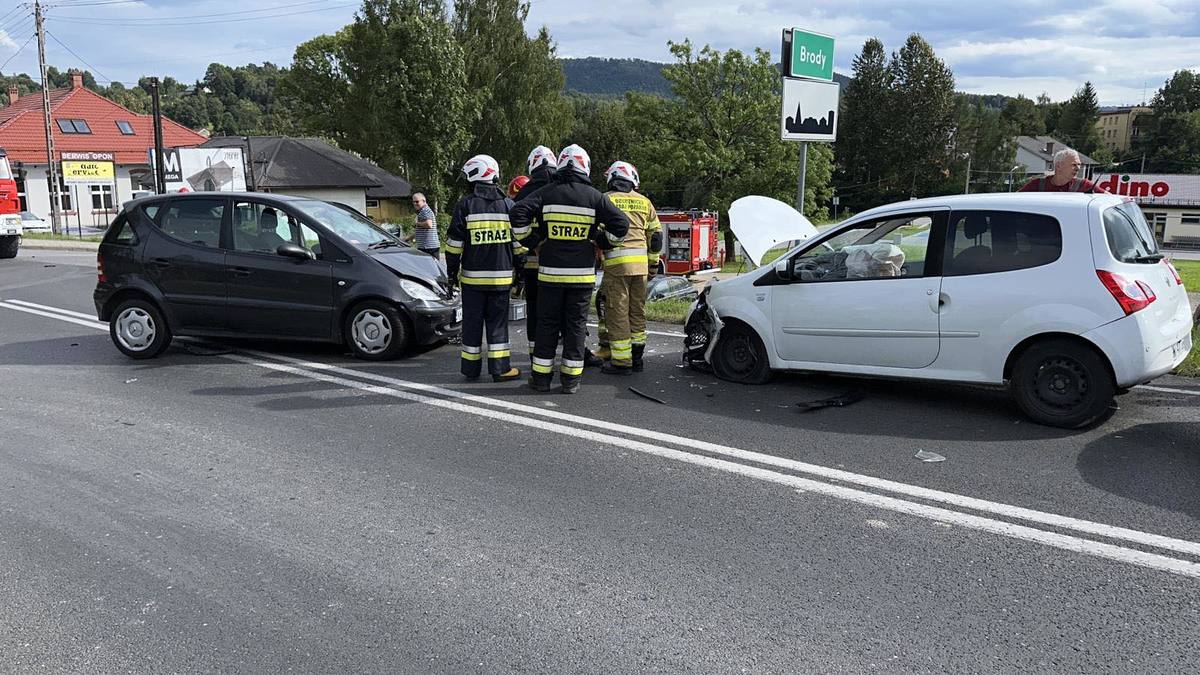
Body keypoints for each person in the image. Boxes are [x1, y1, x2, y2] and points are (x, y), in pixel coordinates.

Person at [511, 144, 629, 394]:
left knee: (547, 325)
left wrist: (534, 242)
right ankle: (570, 380)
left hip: (550, 275)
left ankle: (541, 379)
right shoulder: (595, 196)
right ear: (585, 166)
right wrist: (601, 240)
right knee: (575, 327)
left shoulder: (547, 192)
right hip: (582, 277)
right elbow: (621, 225)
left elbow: (518, 213)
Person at [444, 155, 521, 383]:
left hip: (473, 282)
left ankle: (470, 369)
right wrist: (522, 275)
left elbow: (454, 246)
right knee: (498, 326)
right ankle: (500, 369)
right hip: (501, 280)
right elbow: (518, 246)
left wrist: (451, 274)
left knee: (472, 325)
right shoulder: (509, 205)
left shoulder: (465, 205)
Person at [591, 161, 662, 375]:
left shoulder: (606, 200)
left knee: (617, 313)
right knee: (636, 312)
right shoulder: (645, 202)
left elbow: (596, 232)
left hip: (617, 267)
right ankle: (637, 358)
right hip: (640, 268)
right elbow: (656, 237)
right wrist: (653, 265)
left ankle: (621, 362)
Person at [512, 146, 559, 366]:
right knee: (565, 311)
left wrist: (533, 244)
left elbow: (514, 226)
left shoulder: (524, 193)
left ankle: (536, 355)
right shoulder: (563, 187)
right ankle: (575, 353)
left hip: (532, 264)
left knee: (535, 310)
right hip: (563, 264)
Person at [1018, 149, 1105, 193]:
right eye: (1074, 165)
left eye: (1079, 164)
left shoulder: (1084, 185)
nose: (1078, 168)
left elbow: (1110, 199)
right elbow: (1014, 200)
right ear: (1059, 166)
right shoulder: (1038, 185)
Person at [411, 192, 441, 258]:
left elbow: (429, 224)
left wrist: (417, 223)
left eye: (417, 201)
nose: (415, 204)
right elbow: (421, 231)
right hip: (427, 246)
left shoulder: (425, 210)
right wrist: (408, 238)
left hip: (428, 247)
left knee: (430, 267)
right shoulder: (423, 211)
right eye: (413, 202)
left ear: (424, 201)